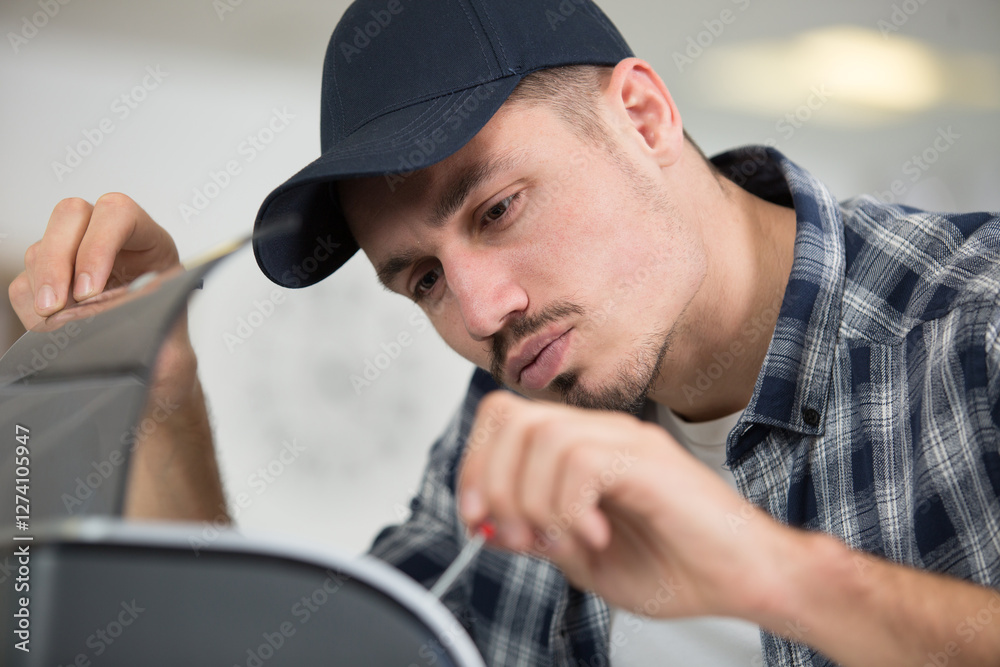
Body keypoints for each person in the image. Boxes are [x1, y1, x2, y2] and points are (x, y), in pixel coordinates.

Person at [8, 0, 1000, 665]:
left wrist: (777, 574)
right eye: (423, 278)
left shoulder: (974, 321)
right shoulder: (509, 421)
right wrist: (165, 393)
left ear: (644, 117)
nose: (481, 315)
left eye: (496, 211)